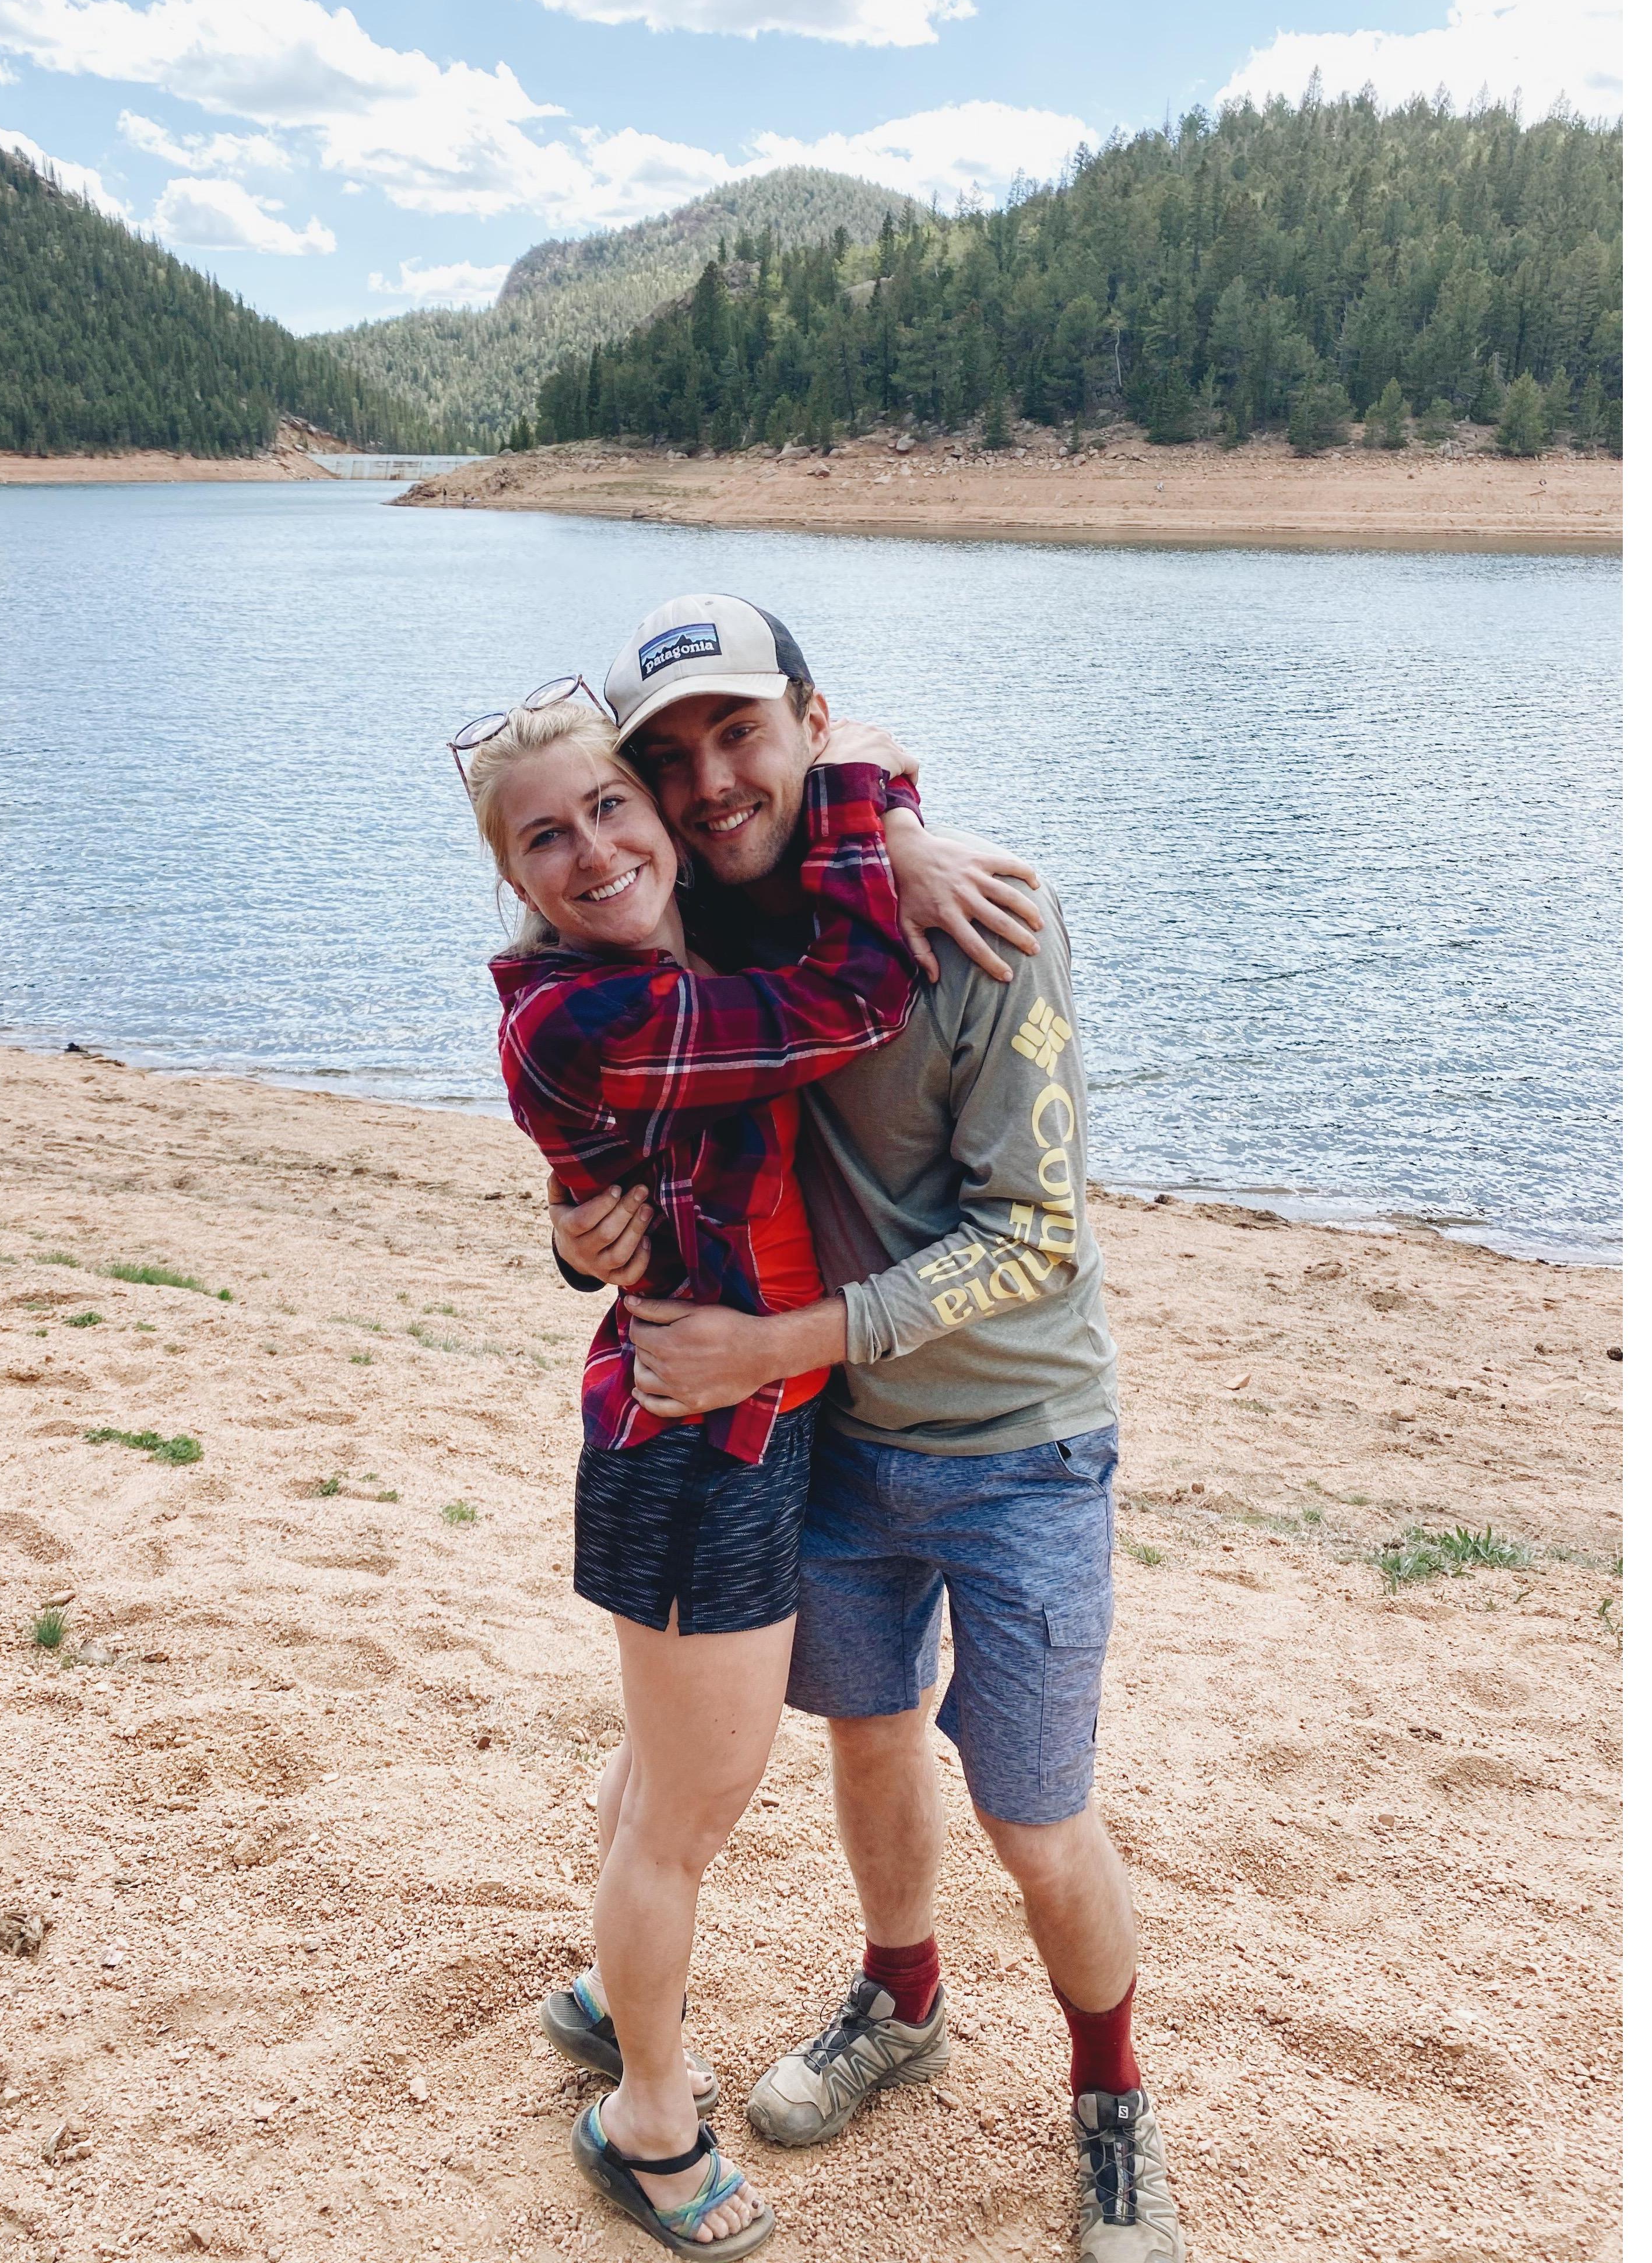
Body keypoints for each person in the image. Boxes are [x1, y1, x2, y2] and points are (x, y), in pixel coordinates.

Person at [549, 595, 1187, 2262]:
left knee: (1035, 1815)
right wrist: (581, 1233)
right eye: (670, 757)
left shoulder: (980, 924)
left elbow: (1033, 1235)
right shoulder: (691, 930)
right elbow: (629, 1130)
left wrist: (780, 1340)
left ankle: (1112, 2099)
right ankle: (902, 2001)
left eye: (740, 733)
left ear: (812, 726)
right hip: (832, 1440)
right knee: (870, 1734)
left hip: (1021, 1440)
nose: (709, 783)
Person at [458, 668, 1007, 2255]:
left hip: (722, 1416)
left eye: (613, 808)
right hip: (696, 1446)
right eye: (547, 838)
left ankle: (606, 1993)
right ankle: (648, 2120)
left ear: (661, 814)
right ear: (513, 877)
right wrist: (868, 805)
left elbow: (840, 765)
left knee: (659, 1777)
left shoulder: (676, 943)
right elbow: (854, 1002)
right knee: (686, 1818)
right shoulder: (590, 1012)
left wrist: (885, 807)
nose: (595, 852)